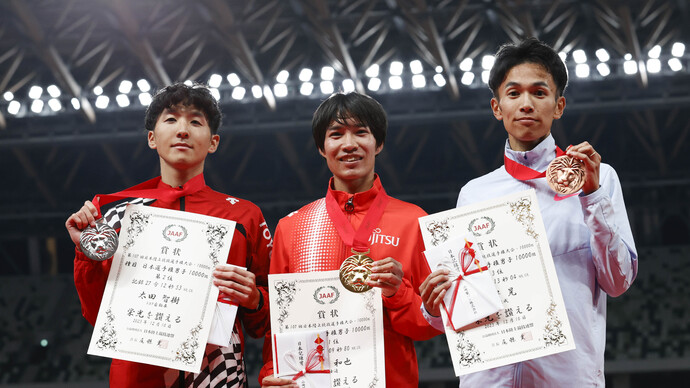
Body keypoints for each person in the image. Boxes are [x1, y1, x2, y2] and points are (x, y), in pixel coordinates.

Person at [420, 37, 638, 387]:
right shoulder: (474, 193)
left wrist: (592, 197)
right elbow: (459, 309)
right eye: (514, 93)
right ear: (496, 106)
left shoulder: (597, 178)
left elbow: (617, 282)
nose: (526, 104)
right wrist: (433, 306)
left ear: (559, 105)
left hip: (567, 378)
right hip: (489, 379)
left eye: (539, 93)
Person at [65, 82, 273, 387]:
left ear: (213, 142)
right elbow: (98, 315)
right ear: (152, 138)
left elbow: (265, 323)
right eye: (171, 119)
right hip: (137, 377)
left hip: (217, 375)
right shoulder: (113, 214)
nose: (183, 130)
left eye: (196, 121)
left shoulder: (245, 216)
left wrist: (255, 299)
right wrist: (88, 249)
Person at [259, 92, 442, 388]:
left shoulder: (413, 221)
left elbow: (430, 324)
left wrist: (398, 293)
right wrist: (270, 371)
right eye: (336, 135)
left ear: (378, 143)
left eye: (361, 132)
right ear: (322, 147)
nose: (349, 144)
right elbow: (277, 323)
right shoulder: (292, 227)